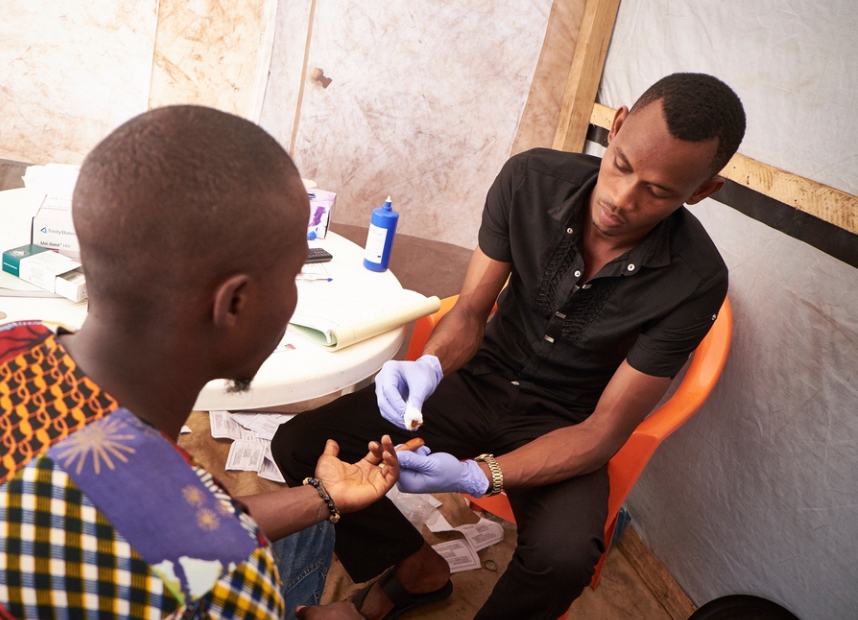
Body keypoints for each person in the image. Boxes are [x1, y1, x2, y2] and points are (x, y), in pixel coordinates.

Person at [272, 73, 746, 619]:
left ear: (702, 192)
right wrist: (429, 363)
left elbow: (603, 431)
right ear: (616, 127)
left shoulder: (696, 279)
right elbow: (471, 311)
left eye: (659, 192)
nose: (622, 198)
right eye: (621, 164)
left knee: (565, 558)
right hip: (475, 381)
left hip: (566, 423)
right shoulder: (530, 181)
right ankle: (416, 569)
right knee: (302, 443)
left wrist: (481, 475)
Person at [0, 105, 395, 619]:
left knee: (313, 524)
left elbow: (161, 529)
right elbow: (181, 549)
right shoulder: (226, 585)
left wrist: (322, 496)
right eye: (291, 276)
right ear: (234, 303)